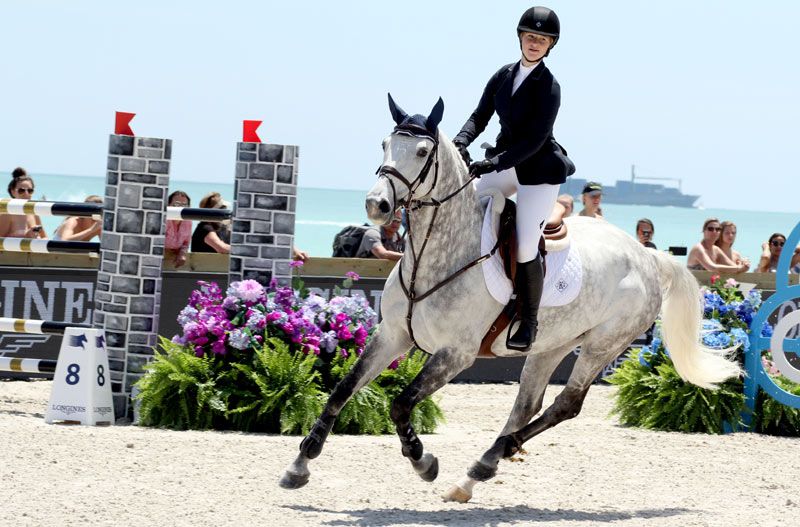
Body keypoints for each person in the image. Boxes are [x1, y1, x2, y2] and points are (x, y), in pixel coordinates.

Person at [452, 6, 575, 352]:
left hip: (538, 173)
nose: (535, 43)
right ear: (520, 37)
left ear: (550, 45)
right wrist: (461, 140)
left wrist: (492, 163)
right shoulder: (503, 75)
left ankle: (529, 320)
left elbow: (534, 140)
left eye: (542, 39)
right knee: (462, 203)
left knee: (524, 244)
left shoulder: (550, 87)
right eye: (530, 36)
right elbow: (480, 115)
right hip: (504, 163)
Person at [0, 168, 47, 238]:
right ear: (13, 192)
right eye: (21, 190)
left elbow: (45, 237)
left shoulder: (34, 212)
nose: (26, 194)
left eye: (30, 191)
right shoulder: (7, 213)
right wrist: (26, 237)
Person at [165, 190, 192, 267]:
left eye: (184, 205)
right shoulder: (163, 221)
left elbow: (186, 243)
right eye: (176, 204)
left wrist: (182, 253)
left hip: (172, 263)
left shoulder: (188, 221)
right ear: (168, 205)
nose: (180, 208)